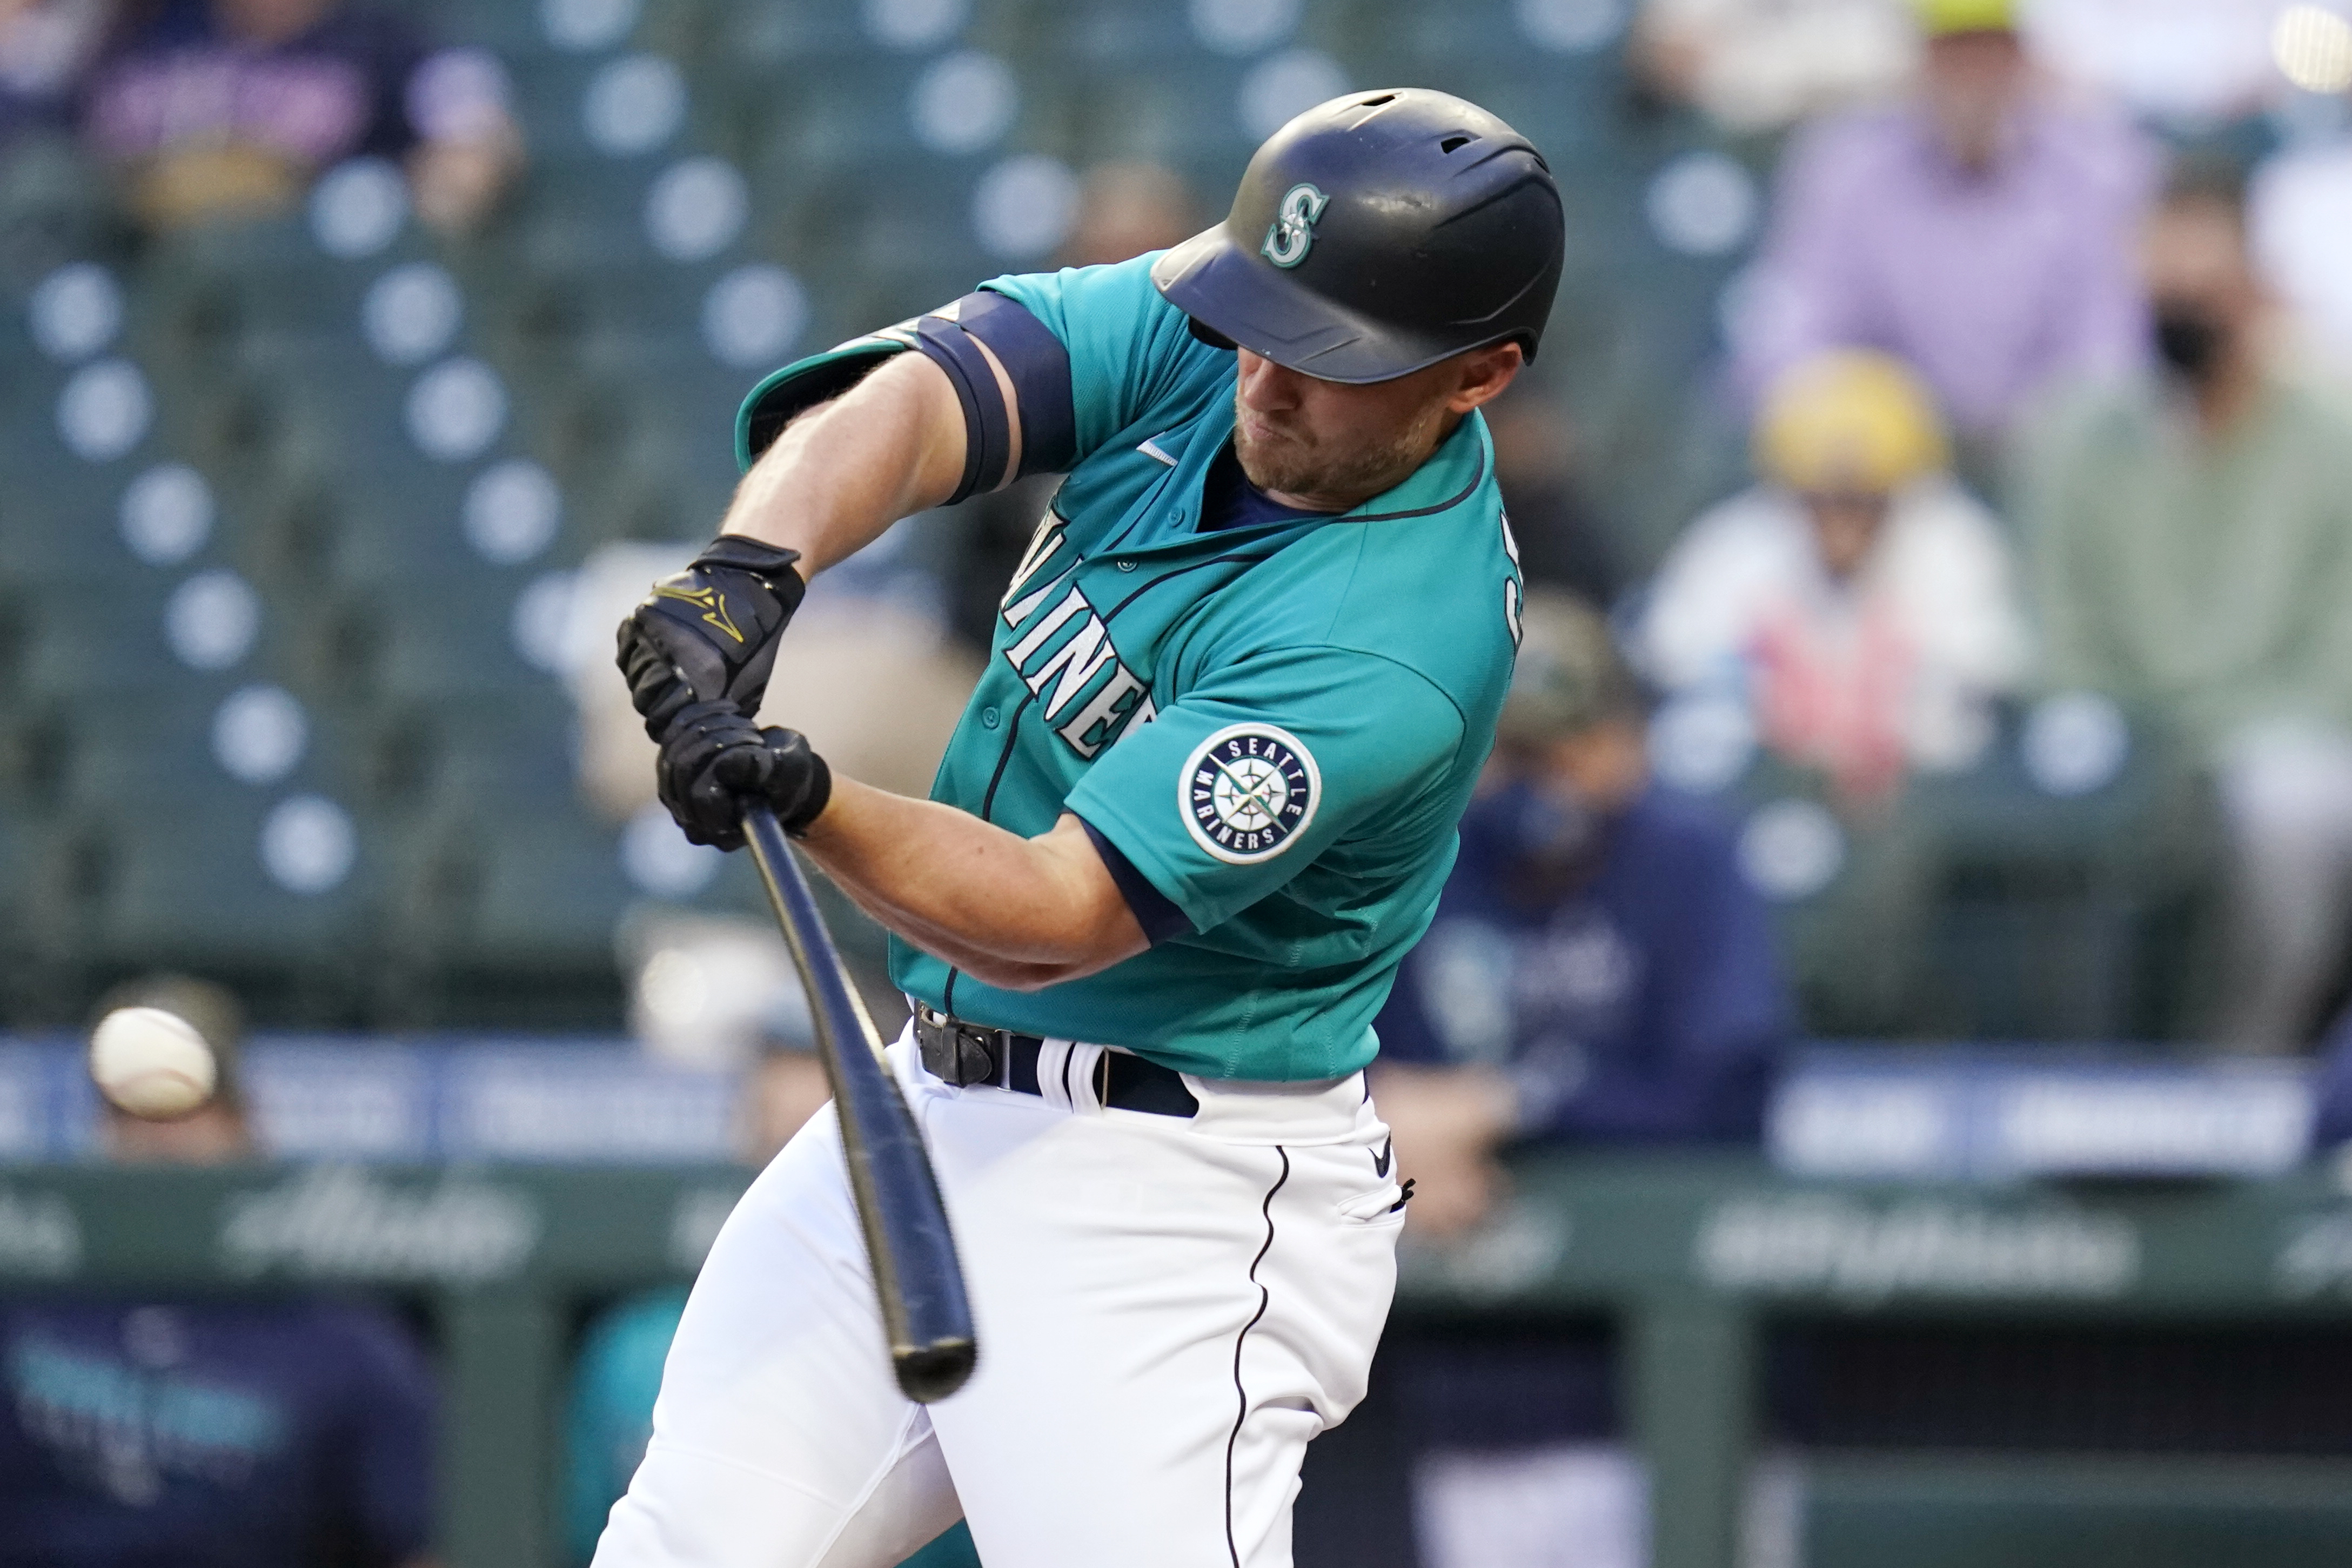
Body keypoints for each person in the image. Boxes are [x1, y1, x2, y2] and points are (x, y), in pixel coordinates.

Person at [597, 87, 1564, 1568]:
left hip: (1167, 1193)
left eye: (1329, 357)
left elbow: (1057, 915)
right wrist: (750, 573)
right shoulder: (1235, 309)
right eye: (1260, 317)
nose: (1267, 373)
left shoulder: (1392, 645)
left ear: (1479, 374)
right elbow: (935, 390)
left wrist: (810, 793)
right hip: (928, 1102)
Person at [1371, 593, 1791, 1568]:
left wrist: (1507, 1105)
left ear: (1621, 743)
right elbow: (1356, 1082)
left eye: (1560, 750)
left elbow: (1727, 1089)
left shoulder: (1686, 861)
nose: (1534, 785)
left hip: (1695, 1397)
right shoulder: (1419, 872)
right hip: (1494, 1400)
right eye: (1508, 756)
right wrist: (1384, 1122)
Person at [2021, 164, 2352, 1051]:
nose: (2182, 317)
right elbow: (2059, 624)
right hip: (2123, 725)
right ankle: (2065, 1066)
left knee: (2293, 802)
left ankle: (2242, 1065)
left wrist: (2204, 738)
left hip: (2271, 724)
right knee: (2044, 779)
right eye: (2164, 293)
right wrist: (2128, 733)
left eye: (2203, 293)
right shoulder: (2080, 432)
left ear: (2251, 291)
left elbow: (2335, 655)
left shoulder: (2329, 432)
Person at [0, 975, 440, 1568]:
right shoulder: (31, 1296)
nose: (154, 1136)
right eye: (128, 1110)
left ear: (244, 1122)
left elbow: (416, 1546)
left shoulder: (338, 1339)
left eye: (180, 1106)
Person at [1732, 0, 2156, 474]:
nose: (1971, 77)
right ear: (1919, 60)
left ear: (2021, 57)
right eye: (1952, 52)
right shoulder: (1846, 167)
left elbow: (2110, 357)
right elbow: (1790, 340)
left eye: (1988, 51)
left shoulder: (2098, 168)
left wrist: (2036, 437)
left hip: (2050, 468)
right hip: (1888, 470)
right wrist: (1877, 423)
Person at [1642, 349, 2030, 805]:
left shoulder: (1955, 544)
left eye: (1862, 500)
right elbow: (1676, 663)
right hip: (1768, 795)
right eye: (1822, 500)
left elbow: (1984, 683)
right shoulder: (1737, 545)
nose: (1841, 519)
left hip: (1918, 800)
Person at [80, 0, 518, 234]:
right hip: (173, 272)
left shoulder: (381, 36)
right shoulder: (152, 30)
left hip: (326, 278)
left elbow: (473, 133)